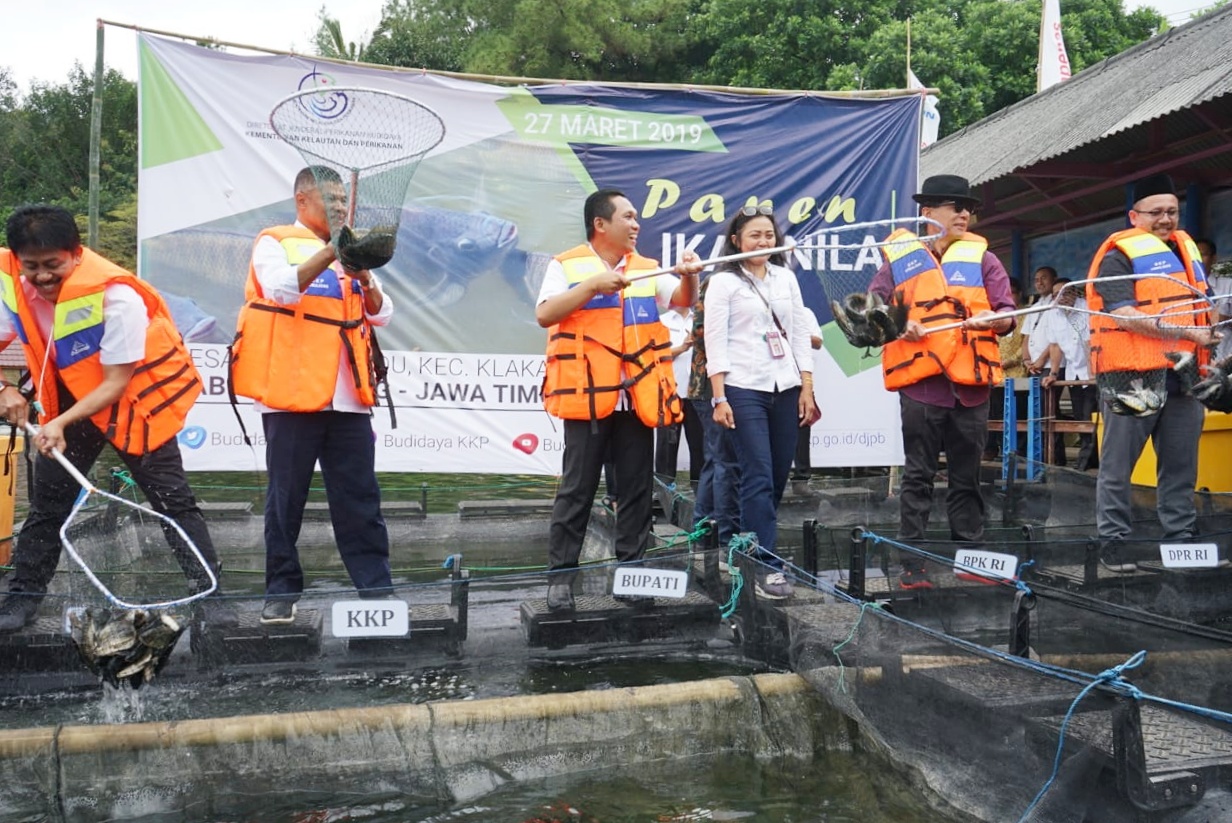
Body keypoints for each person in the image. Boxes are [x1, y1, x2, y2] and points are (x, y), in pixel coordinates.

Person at [0, 206, 231, 632]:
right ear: (17, 260)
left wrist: (59, 423)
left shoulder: (116, 294)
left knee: (173, 503)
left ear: (75, 253)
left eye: (53, 265)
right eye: (31, 266)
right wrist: (5, 389)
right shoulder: (8, 282)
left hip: (131, 401)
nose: (43, 276)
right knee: (48, 507)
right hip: (64, 399)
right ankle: (23, 598)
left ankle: (211, 594)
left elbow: (116, 382)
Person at [232, 166, 395, 625]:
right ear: (303, 200)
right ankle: (281, 592)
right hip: (291, 397)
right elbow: (280, 289)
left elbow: (384, 314)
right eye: (333, 201)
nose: (342, 209)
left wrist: (363, 277)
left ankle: (376, 591)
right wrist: (331, 252)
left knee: (361, 499)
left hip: (348, 400)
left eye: (345, 202)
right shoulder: (275, 241)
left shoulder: (354, 252)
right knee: (285, 501)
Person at [537, 189, 700, 611]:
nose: (636, 225)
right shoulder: (566, 264)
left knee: (636, 491)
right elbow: (545, 314)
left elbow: (684, 300)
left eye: (637, 218)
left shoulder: (646, 268)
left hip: (636, 400)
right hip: (588, 399)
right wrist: (592, 285)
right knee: (577, 491)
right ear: (601, 224)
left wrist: (690, 274)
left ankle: (632, 576)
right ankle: (561, 581)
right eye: (628, 217)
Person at [868, 174, 1016, 590]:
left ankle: (970, 559)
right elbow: (873, 309)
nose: (964, 213)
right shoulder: (900, 259)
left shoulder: (986, 260)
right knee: (918, 476)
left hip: (971, 387)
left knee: (968, 477)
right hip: (923, 385)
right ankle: (912, 568)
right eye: (954, 206)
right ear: (927, 213)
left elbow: (1007, 315)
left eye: (968, 207)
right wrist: (902, 323)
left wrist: (996, 318)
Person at [1085, 174, 1216, 571]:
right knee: (1117, 468)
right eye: (1156, 212)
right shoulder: (1117, 256)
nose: (1165, 219)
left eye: (1172, 211)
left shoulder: (1186, 251)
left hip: (1184, 378)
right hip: (1132, 378)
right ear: (1134, 216)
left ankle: (1181, 543)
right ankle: (1113, 544)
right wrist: (1186, 331)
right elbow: (1124, 315)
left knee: (1180, 467)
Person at [705, 204, 819, 600]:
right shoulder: (724, 283)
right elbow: (714, 341)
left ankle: (745, 545)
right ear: (736, 240)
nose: (763, 241)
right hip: (742, 386)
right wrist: (719, 396)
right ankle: (765, 565)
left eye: (768, 235)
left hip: (785, 385)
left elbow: (800, 333)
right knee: (756, 472)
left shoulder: (785, 277)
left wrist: (807, 387)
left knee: (776, 477)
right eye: (754, 235)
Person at [687, 270, 742, 556]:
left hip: (735, 384)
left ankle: (702, 531)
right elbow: (700, 333)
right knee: (725, 461)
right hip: (712, 387)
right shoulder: (718, 282)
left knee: (717, 460)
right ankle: (725, 538)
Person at [1041, 279, 1099, 471]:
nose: (1061, 297)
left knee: (1092, 416)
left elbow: (1092, 342)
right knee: (1080, 414)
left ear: (1075, 293)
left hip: (1094, 371)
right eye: (1056, 294)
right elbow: (1055, 345)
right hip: (1074, 371)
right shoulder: (1053, 313)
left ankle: (1087, 461)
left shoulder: (1087, 308)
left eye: (1065, 293)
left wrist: (1092, 373)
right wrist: (1054, 373)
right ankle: (1087, 460)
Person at [654, 304, 703, 489]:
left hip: (697, 393)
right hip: (669, 393)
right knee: (666, 448)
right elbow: (655, 355)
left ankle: (701, 494)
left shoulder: (699, 320)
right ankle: (664, 493)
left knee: (700, 447)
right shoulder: (662, 321)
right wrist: (682, 348)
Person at [989, 280, 1029, 459]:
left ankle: (1017, 452)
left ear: (1019, 294)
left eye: (1011, 292)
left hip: (1017, 373)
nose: (1008, 296)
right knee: (995, 413)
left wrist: (1010, 361)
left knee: (1018, 414)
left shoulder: (1025, 315)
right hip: (996, 375)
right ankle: (994, 449)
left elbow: (1026, 344)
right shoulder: (995, 317)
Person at [789, 308, 823, 495]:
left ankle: (801, 479)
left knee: (802, 427)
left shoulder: (804, 313)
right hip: (770, 380)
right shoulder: (763, 309)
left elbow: (818, 342)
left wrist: (795, 334)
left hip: (800, 379)